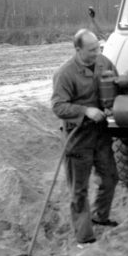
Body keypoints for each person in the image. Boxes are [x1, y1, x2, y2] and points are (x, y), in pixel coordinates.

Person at [51, 29, 119, 244]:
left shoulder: (104, 63)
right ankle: (84, 237)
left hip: (101, 134)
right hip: (78, 137)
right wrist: (85, 111)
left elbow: (118, 86)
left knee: (110, 178)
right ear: (78, 49)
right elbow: (58, 106)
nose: (96, 53)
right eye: (91, 50)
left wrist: (114, 105)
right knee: (79, 190)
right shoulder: (65, 73)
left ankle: (101, 216)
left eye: (98, 48)